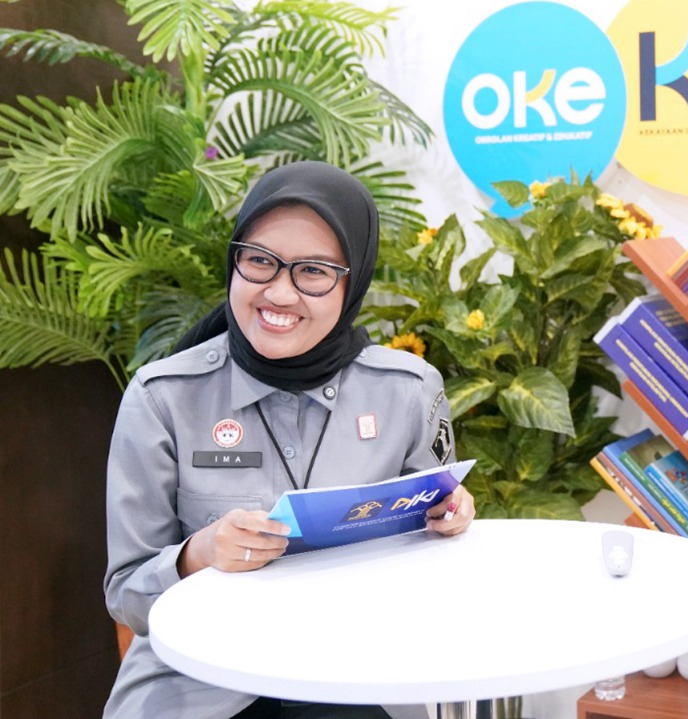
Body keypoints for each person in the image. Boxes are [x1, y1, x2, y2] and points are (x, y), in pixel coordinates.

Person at [103, 161, 474, 719]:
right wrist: (198, 554)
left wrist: (451, 518)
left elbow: (437, 567)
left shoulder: (407, 390)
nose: (279, 292)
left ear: (353, 281)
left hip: (359, 678)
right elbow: (126, 593)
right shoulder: (163, 397)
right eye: (259, 261)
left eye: (314, 271)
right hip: (199, 685)